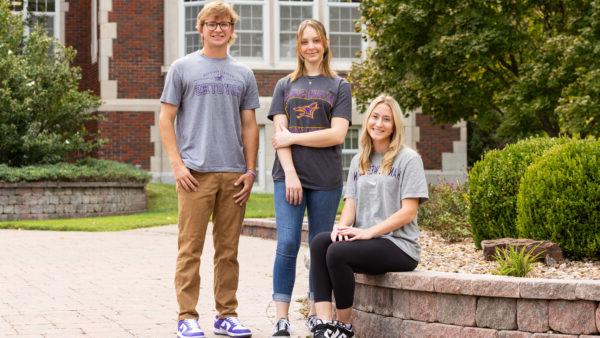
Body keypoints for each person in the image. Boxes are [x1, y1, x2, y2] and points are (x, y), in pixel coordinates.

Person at [159, 2, 259, 337]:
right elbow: (165, 118)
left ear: (232, 30)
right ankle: (187, 316)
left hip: (233, 175)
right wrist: (176, 164)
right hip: (194, 175)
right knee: (190, 248)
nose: (218, 29)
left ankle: (225, 315)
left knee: (228, 251)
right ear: (200, 28)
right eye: (212, 23)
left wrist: (250, 170)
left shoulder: (244, 74)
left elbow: (249, 125)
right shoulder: (182, 68)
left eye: (225, 23)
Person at [309, 94, 429, 338]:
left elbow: (409, 211)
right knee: (322, 241)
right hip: (366, 240)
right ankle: (323, 324)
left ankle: (344, 327)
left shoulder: (408, 159)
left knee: (337, 252)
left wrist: (367, 232)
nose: (379, 123)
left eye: (386, 119)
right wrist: (341, 229)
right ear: (367, 120)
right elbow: (350, 205)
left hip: (398, 245)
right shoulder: (359, 160)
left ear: (395, 125)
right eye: (375, 117)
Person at [268, 19, 352, 337]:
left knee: (320, 248)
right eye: (305, 42)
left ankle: (318, 315)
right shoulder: (284, 85)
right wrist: (290, 173)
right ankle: (282, 318)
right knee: (287, 244)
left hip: (326, 180)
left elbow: (337, 134)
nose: (311, 47)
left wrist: (293, 138)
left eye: (316, 40)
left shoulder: (339, 86)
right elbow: (279, 135)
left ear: (325, 43)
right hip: (288, 178)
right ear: (298, 47)